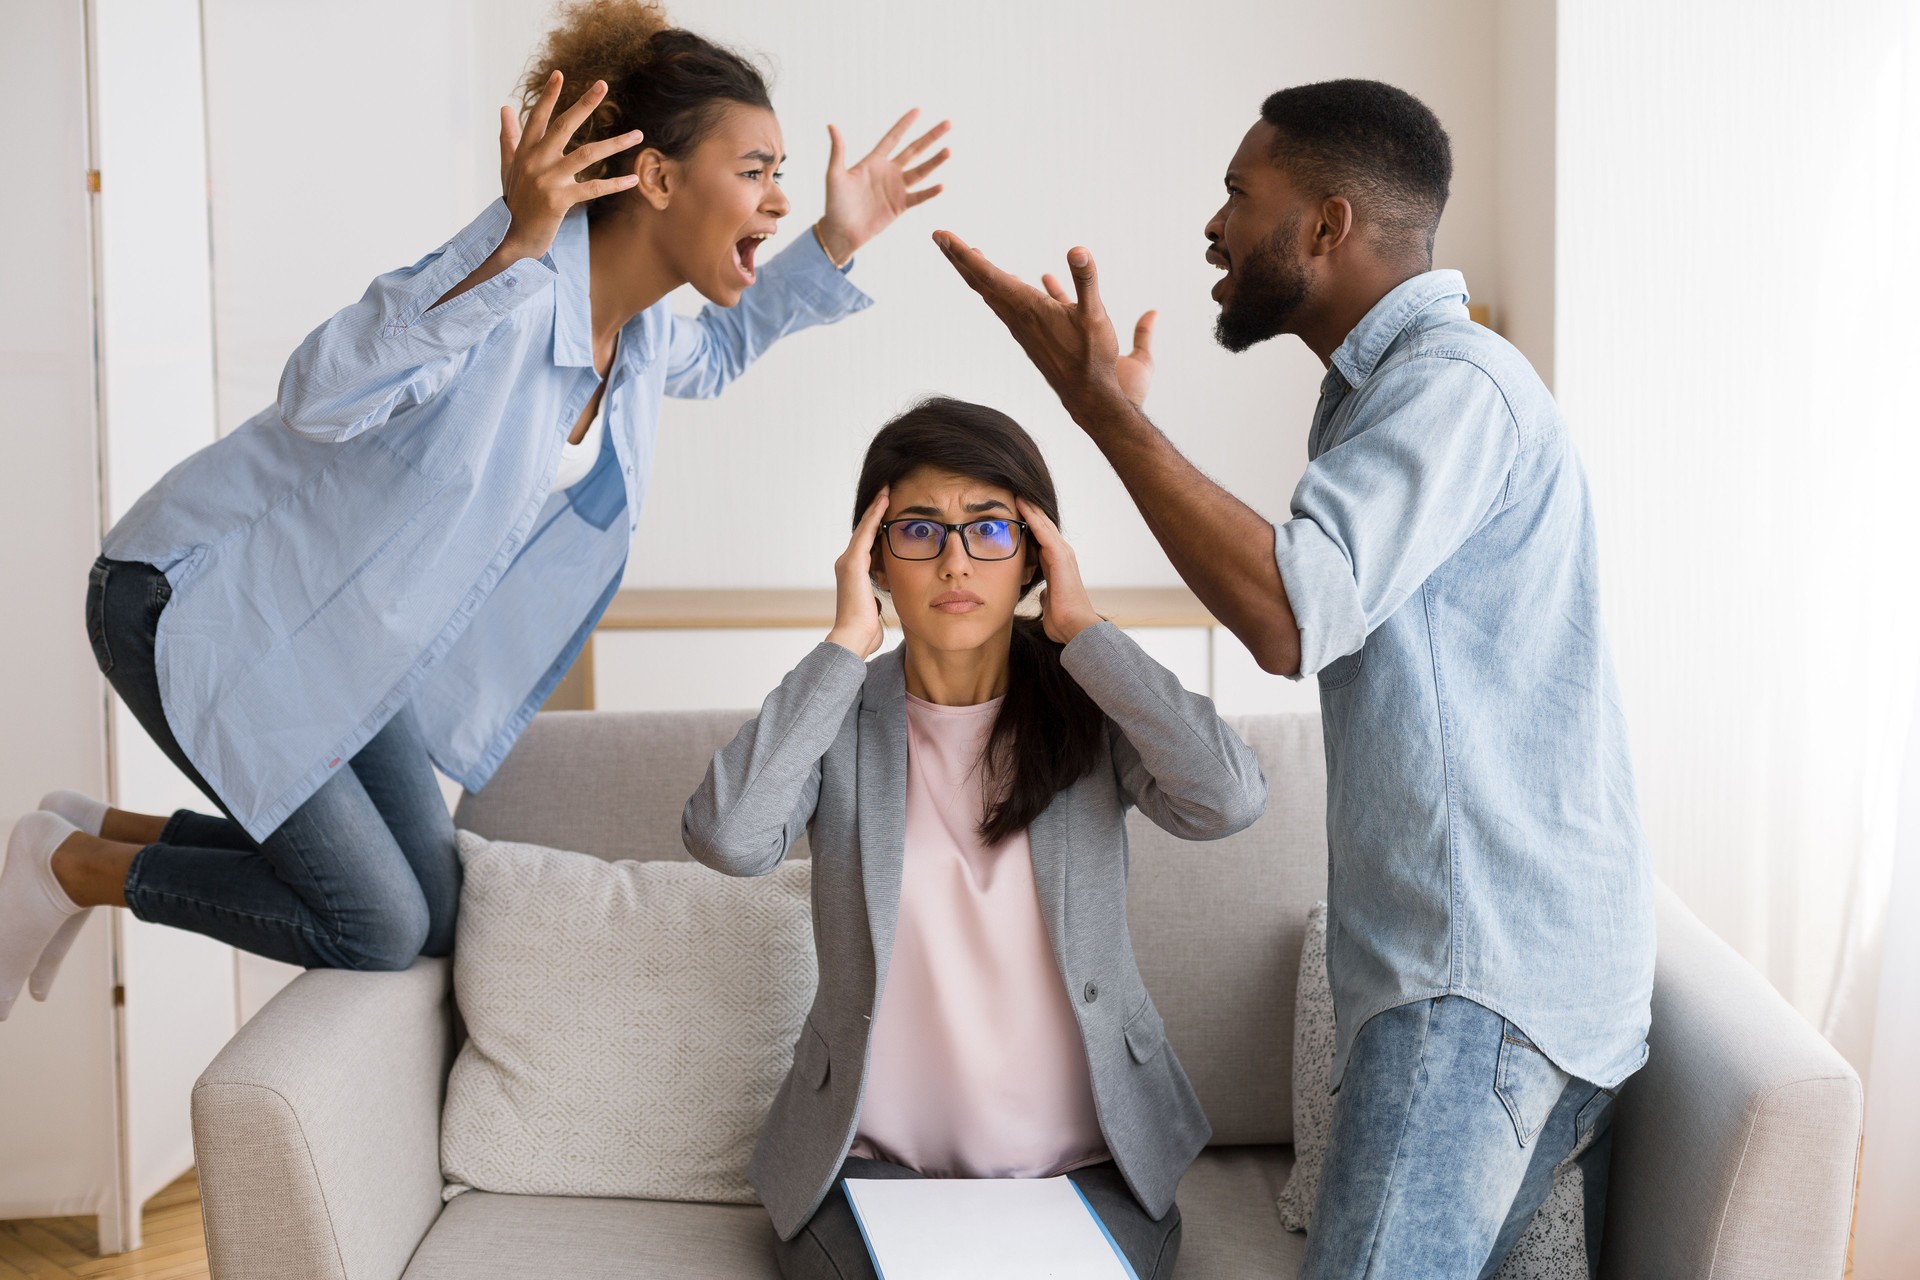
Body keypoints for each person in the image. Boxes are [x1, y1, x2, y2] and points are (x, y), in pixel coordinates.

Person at [0, 0, 951, 1018]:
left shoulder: (633, 336)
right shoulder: (518, 285)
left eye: (782, 177)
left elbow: (719, 353)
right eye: (756, 170)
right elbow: (320, 392)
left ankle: (88, 827)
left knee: (443, 912)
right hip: (198, 599)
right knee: (373, 922)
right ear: (662, 178)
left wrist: (835, 241)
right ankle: (69, 867)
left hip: (343, 647)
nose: (776, 200)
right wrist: (505, 243)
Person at [934, 79, 1655, 1279]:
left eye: (1237, 194)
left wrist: (1102, 414)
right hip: (1497, 984)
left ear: (1325, 225)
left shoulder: (1453, 385)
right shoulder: (1392, 394)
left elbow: (1286, 611)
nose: (1213, 228)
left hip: (1476, 989)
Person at [681, 397, 1268, 1280]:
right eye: (919, 530)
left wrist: (1086, 634)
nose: (955, 561)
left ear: (1036, 553)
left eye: (990, 528)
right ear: (874, 556)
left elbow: (1227, 799)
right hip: (869, 1165)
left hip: (1090, 1163)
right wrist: (845, 642)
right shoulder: (838, 717)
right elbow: (729, 838)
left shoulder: (1092, 708)